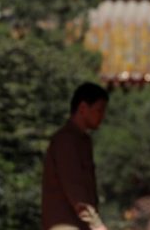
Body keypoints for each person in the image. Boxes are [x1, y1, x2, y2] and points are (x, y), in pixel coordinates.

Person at [42, 82, 110, 230]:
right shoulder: (66, 141)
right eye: (99, 110)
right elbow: (75, 188)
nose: (102, 116)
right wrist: (97, 225)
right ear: (83, 108)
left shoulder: (83, 142)